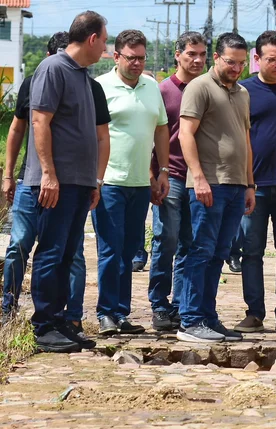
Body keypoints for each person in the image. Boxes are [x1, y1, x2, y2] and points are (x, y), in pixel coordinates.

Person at [1, 32, 111, 334]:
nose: (105, 46)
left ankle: (66, 320)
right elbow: (28, 125)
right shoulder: (48, 72)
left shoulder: (88, 82)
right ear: (90, 39)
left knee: (67, 252)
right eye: (103, 39)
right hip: (42, 182)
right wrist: (14, 175)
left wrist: (95, 181)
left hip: (78, 182)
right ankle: (31, 317)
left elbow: (100, 136)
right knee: (30, 247)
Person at [177, 32, 255, 343]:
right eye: (230, 62)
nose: (236, 68)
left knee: (219, 253)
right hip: (209, 184)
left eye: (241, 63)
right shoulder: (200, 88)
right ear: (216, 59)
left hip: (236, 186)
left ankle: (208, 317)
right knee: (200, 252)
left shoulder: (242, 93)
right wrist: (198, 178)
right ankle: (190, 319)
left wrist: (250, 183)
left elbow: (245, 140)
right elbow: (185, 134)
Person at [94, 29, 170, 335]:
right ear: (116, 57)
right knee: (110, 250)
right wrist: (94, 179)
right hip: (109, 181)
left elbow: (161, 129)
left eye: (141, 58)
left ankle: (121, 313)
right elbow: (91, 135)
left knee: (129, 250)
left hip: (140, 183)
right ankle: (105, 313)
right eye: (131, 58)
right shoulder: (100, 87)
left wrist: (162, 171)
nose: (137, 63)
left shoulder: (152, 87)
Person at [233, 31, 276, 334]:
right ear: (257, 59)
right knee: (251, 252)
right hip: (254, 186)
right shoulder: (243, 91)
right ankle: (254, 312)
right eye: (272, 59)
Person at [148, 31, 206, 331]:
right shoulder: (162, 90)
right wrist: (153, 174)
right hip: (168, 176)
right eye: (191, 54)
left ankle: (181, 305)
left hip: (197, 180)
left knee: (191, 244)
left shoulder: (209, 89)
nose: (197, 60)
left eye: (201, 55)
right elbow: (152, 135)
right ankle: (159, 304)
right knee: (165, 241)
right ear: (177, 55)